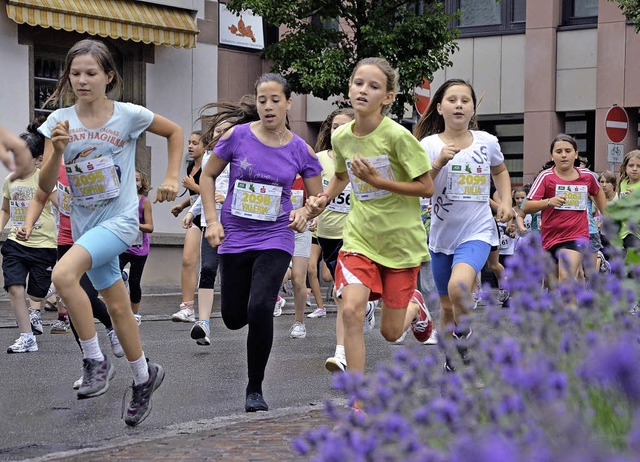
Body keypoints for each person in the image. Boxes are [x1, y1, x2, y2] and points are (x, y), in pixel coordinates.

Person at [34, 39, 182, 426]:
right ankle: (143, 376)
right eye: (75, 73)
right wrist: (57, 148)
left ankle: (95, 360)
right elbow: (46, 183)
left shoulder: (127, 115)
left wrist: (169, 176)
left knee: (64, 274)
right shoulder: (59, 121)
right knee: (118, 308)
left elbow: (175, 132)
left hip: (120, 221)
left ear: (109, 77)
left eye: (91, 73)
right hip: (86, 225)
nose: (82, 81)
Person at [307, 57, 435, 386]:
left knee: (391, 333)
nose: (364, 90)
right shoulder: (342, 138)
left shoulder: (397, 138)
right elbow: (340, 176)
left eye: (374, 86)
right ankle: (357, 400)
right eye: (358, 83)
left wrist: (380, 182)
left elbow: (426, 186)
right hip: (360, 237)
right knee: (350, 310)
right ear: (350, 88)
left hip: (400, 242)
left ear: (388, 97)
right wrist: (322, 199)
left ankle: (416, 308)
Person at [199, 73, 323, 412]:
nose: (268, 106)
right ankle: (247, 314)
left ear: (288, 103)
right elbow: (207, 175)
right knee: (235, 317)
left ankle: (255, 388)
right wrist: (212, 219)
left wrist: (305, 213)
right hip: (235, 235)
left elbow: (318, 198)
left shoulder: (301, 150)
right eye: (262, 100)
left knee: (260, 308)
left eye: (275, 100)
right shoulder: (237, 137)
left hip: (276, 235)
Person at [414, 78, 513, 372]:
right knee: (446, 307)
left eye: (465, 100)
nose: (459, 105)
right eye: (452, 100)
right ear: (440, 108)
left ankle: (465, 333)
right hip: (442, 234)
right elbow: (421, 187)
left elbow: (501, 171)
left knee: (460, 288)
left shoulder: (487, 142)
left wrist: (505, 201)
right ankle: (452, 358)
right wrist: (438, 163)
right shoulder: (428, 145)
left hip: (478, 230)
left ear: (473, 108)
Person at [182, 95, 260, 345]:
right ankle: (203, 322)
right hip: (210, 222)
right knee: (207, 269)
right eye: (216, 131)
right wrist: (192, 211)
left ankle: (249, 311)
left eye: (225, 131)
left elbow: (252, 190)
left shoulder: (245, 154)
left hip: (236, 223)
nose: (220, 135)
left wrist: (227, 197)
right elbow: (206, 187)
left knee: (233, 275)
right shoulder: (208, 158)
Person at [310, 108, 377, 373]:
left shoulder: (362, 160)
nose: (338, 131)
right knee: (338, 288)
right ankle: (368, 305)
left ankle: (341, 353)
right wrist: (312, 210)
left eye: (344, 126)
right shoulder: (317, 160)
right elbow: (314, 193)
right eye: (334, 126)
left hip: (355, 236)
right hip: (326, 233)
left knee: (341, 296)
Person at [1, 123, 57, 353]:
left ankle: (50, 295)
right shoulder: (10, 181)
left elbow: (62, 204)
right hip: (16, 242)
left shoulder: (44, 179)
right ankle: (26, 336)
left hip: (44, 244)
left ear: (39, 160)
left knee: (37, 292)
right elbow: (5, 209)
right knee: (14, 287)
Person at [524, 134, 606, 282]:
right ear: (552, 155)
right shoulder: (546, 177)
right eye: (559, 151)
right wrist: (549, 202)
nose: (563, 155)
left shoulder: (587, 176)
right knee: (553, 284)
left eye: (568, 151)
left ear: (576, 155)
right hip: (550, 237)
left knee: (565, 277)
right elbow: (527, 206)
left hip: (577, 234)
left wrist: (606, 215)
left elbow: (598, 192)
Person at [170, 131, 205, 322]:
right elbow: (194, 195)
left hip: (214, 217)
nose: (190, 146)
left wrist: (193, 185)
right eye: (189, 143)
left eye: (195, 143)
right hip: (196, 218)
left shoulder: (210, 165)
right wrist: (182, 206)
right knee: (187, 260)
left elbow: (212, 192)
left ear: (205, 147)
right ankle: (188, 307)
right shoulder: (191, 166)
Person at [119, 169, 153, 324]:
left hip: (139, 248)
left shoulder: (144, 201)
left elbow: (150, 227)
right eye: (131, 179)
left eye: (137, 180)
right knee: (113, 276)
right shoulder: (121, 200)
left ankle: (135, 314)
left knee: (134, 281)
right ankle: (119, 309)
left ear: (141, 184)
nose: (134, 183)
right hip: (122, 246)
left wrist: (136, 225)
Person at [616, 150, 640, 265]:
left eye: (639, 166)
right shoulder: (623, 183)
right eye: (631, 165)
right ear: (625, 168)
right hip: (623, 231)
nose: (634, 169)